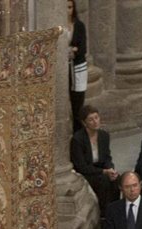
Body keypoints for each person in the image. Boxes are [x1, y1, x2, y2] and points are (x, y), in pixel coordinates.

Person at [70, 105, 119, 212]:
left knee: (115, 179)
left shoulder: (104, 135)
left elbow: (107, 157)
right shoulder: (78, 139)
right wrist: (104, 171)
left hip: (101, 169)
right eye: (91, 120)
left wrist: (111, 169)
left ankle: (116, 211)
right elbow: (82, 166)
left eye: (96, 117)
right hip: (86, 172)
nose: (95, 121)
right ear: (84, 123)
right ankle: (104, 213)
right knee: (104, 181)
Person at [65, 0, 87, 131]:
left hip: (77, 67)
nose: (68, 10)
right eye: (65, 7)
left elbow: (82, 48)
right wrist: (72, 49)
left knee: (77, 104)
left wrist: (73, 50)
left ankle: (78, 132)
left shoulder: (79, 25)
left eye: (70, 7)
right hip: (64, 68)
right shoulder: (59, 26)